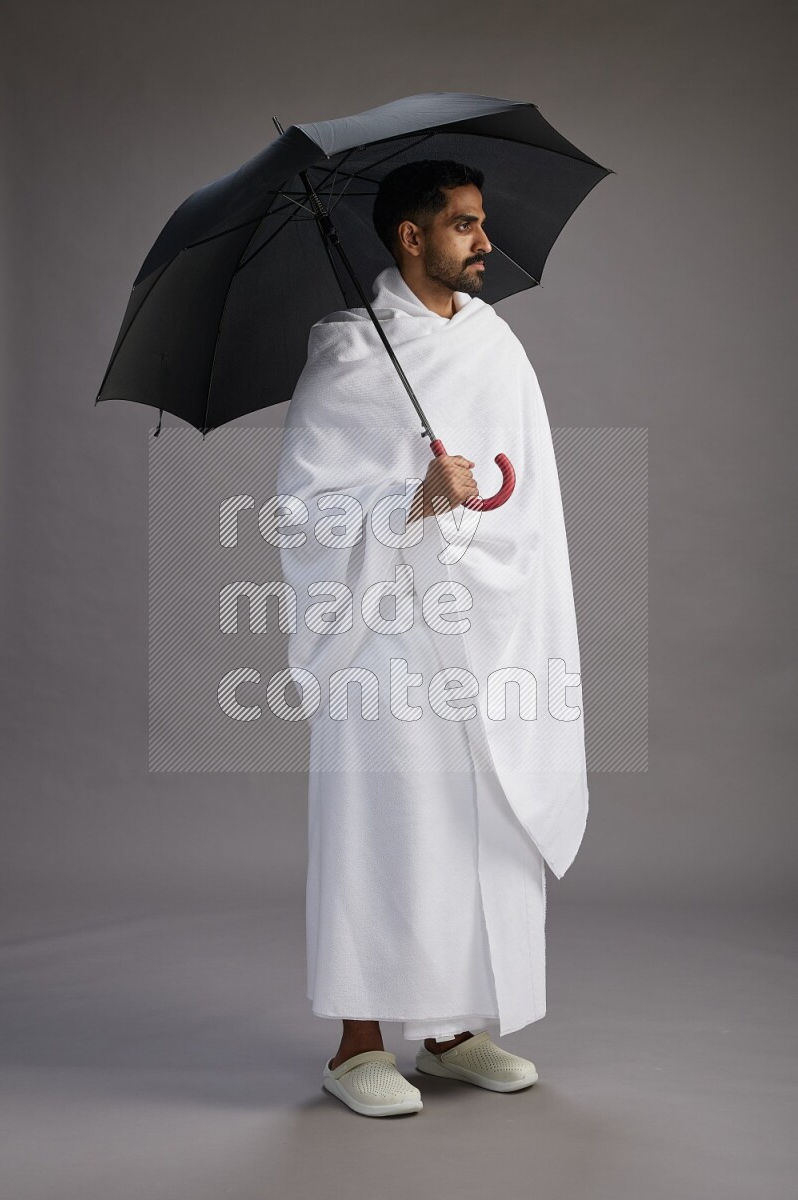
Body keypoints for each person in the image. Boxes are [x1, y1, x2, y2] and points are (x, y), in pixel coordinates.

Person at [275, 160, 588, 1117]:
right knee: (387, 825)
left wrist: (477, 520)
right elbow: (302, 515)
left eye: (482, 222)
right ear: (410, 237)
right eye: (462, 225)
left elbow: (532, 499)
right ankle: (357, 1045)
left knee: (470, 826)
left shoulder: (497, 349)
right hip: (384, 641)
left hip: (484, 629)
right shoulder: (349, 356)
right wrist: (409, 498)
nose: (483, 242)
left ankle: (451, 1031)